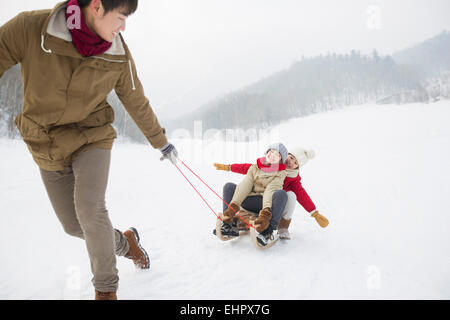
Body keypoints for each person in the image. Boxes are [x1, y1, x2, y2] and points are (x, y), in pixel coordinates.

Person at [0, 0, 178, 300]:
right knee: (73, 226)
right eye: (121, 17)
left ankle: (106, 290)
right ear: (96, 6)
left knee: (90, 209)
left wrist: (161, 141)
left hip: (92, 136)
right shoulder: (31, 29)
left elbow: (135, 100)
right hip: (45, 142)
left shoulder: (117, 54)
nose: (123, 27)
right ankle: (124, 243)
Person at [214, 147, 329, 240]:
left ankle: (272, 228)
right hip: (252, 199)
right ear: (286, 155)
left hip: (270, 206)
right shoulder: (267, 164)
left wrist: (314, 213)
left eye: (295, 163)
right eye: (291, 157)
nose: (291, 162)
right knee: (229, 187)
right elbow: (246, 167)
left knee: (287, 194)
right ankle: (228, 223)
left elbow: (303, 196)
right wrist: (228, 167)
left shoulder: (291, 178)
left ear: (298, 167)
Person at [219, 143, 289, 246]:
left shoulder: (280, 173)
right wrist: (233, 205)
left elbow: (270, 190)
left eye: (277, 155)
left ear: (280, 160)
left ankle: (268, 231)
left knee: (282, 194)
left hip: (265, 205)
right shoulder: (255, 167)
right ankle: (229, 222)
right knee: (229, 187)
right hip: (249, 200)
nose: (272, 155)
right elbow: (245, 185)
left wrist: (265, 212)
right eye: (271, 151)